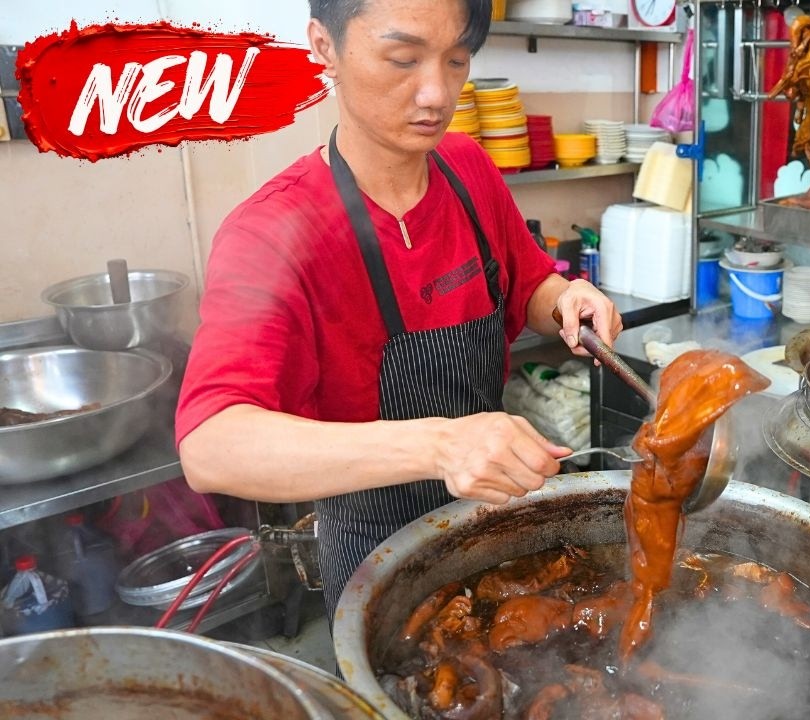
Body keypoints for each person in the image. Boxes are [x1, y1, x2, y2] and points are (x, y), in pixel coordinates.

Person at [175, 0, 622, 617]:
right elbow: (210, 445)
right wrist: (443, 446)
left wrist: (566, 299)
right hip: (374, 556)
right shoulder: (273, 232)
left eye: (457, 60)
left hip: (490, 527)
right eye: (403, 59)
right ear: (324, 46)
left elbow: (530, 286)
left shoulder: (467, 169)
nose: (436, 93)